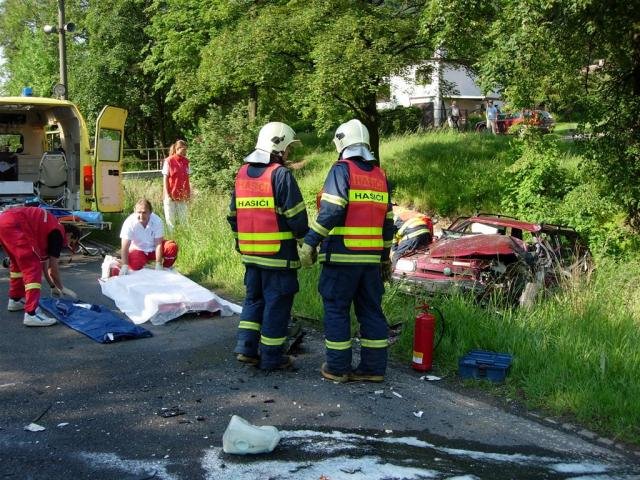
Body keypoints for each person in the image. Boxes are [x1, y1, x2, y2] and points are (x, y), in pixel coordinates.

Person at [299, 119, 394, 383]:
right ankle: (373, 369)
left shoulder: (342, 170)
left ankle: (338, 368)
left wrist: (310, 241)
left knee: (337, 309)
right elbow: (388, 223)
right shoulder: (380, 176)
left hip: (341, 258)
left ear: (342, 143)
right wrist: (385, 258)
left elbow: (331, 210)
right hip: (371, 261)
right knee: (371, 312)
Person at [227, 122, 308, 371]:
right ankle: (273, 358)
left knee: (254, 300)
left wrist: (246, 241)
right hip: (278, 257)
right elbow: (296, 217)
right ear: (279, 146)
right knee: (277, 305)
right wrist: (305, 239)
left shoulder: (242, 174)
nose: (288, 155)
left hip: (251, 257)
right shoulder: (280, 175)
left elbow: (232, 216)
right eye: (288, 149)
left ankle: (246, 349)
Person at [0, 206, 80, 327]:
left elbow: (45, 265)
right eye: (71, 242)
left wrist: (53, 286)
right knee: (32, 267)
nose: (68, 245)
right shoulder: (57, 234)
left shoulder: (52, 227)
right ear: (69, 234)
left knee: (17, 266)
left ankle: (15, 300)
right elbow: (53, 268)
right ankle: (32, 314)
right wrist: (62, 288)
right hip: (17, 223)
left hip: (5, 220)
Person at [118, 198, 178, 275]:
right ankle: (129, 263)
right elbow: (124, 247)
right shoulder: (129, 222)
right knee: (135, 263)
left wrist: (158, 264)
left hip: (154, 249)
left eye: (144, 212)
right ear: (134, 211)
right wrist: (125, 266)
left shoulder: (157, 221)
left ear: (150, 212)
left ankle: (165, 267)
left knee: (171, 247)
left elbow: (158, 244)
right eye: (139, 212)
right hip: (139, 250)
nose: (141, 216)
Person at [162, 139, 191, 231]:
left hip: (182, 195)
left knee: (184, 220)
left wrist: (188, 194)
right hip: (170, 194)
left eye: (186, 150)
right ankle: (171, 241)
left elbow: (187, 179)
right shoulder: (169, 161)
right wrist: (167, 194)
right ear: (177, 149)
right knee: (171, 221)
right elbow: (165, 178)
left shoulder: (186, 162)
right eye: (183, 150)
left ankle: (185, 239)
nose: (185, 152)